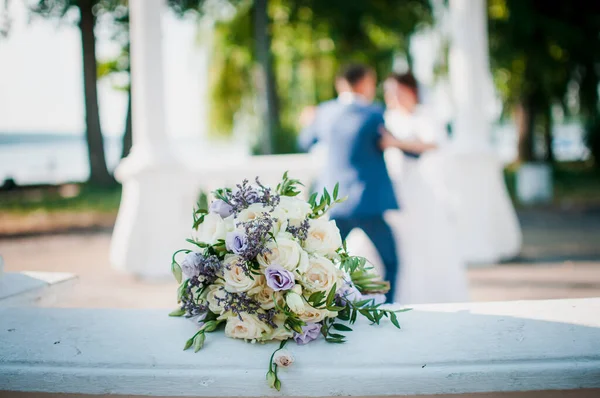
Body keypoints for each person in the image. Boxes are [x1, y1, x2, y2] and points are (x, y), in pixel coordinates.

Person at [298, 64, 400, 302]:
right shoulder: (374, 113)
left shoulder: (324, 112)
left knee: (324, 261)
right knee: (391, 260)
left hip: (333, 201)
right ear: (364, 83)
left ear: (340, 84)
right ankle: (390, 304)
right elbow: (389, 141)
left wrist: (307, 121)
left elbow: (305, 141)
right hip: (367, 201)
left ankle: (325, 305)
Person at [380, 72, 469, 304]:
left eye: (397, 91)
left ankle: (430, 293)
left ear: (411, 91)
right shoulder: (387, 118)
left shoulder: (424, 116)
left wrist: (396, 143)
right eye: (389, 92)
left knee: (427, 238)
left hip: (419, 187)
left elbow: (433, 143)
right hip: (394, 186)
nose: (392, 97)